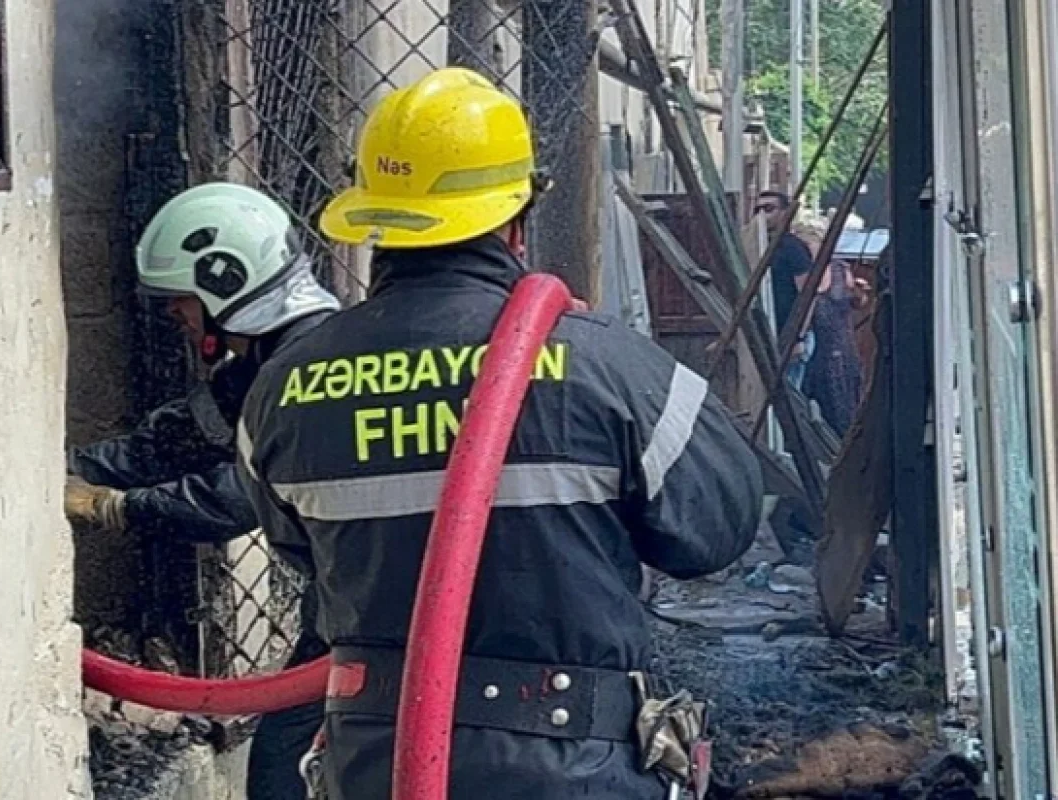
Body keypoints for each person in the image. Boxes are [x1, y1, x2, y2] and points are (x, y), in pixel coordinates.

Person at [236, 67, 763, 798]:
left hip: (375, 765)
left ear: (374, 218)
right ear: (517, 219)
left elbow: (302, 553)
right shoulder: (605, 365)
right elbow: (719, 528)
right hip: (577, 771)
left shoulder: (283, 390)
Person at [63, 182, 340, 800]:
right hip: (349, 610)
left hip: (372, 618)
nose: (172, 315)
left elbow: (240, 495)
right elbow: (170, 445)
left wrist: (115, 507)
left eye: (180, 299)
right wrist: (66, 470)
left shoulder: (309, 369)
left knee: (280, 775)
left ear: (225, 283)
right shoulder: (267, 363)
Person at [792, 219, 868, 437]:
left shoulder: (839, 269)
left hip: (838, 341)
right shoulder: (801, 274)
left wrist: (858, 293)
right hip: (813, 344)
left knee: (841, 399)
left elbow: (856, 301)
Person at [754, 190, 816, 389]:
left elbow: (807, 295)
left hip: (791, 339)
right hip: (769, 336)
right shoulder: (758, 248)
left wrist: (798, 337)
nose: (762, 215)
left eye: (769, 209)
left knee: (788, 399)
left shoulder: (792, 248)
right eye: (757, 210)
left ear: (784, 213)